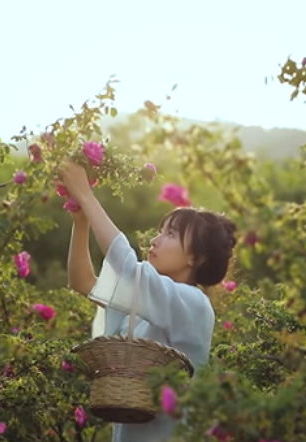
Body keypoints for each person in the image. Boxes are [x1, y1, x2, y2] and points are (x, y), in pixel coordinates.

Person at [60, 161, 236, 442]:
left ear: (196, 258)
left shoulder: (194, 303)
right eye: (160, 230)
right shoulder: (148, 306)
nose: (154, 241)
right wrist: (80, 222)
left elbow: (128, 266)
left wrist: (86, 195)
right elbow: (83, 282)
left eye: (170, 234)